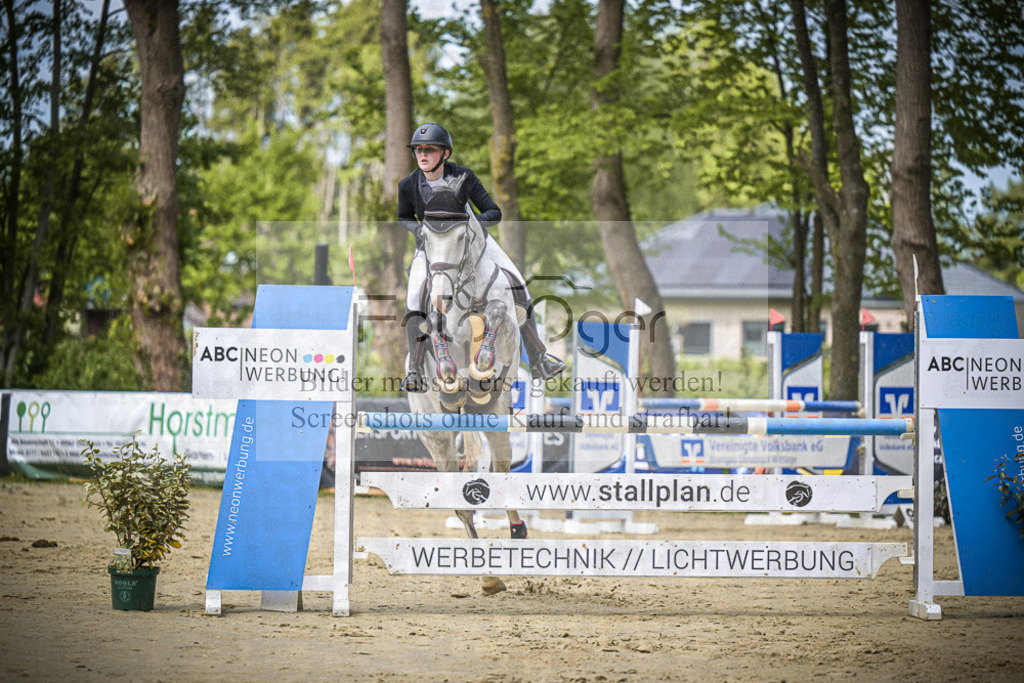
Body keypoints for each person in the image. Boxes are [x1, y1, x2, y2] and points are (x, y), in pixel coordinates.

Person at [397, 122, 566, 393]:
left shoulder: (464, 177)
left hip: (474, 244)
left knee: (518, 283)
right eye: (418, 149)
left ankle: (538, 358)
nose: (423, 154)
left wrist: (470, 226)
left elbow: (493, 211)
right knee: (414, 297)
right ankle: (415, 370)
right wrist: (419, 230)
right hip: (432, 248)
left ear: (446, 154)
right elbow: (403, 216)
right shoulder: (408, 185)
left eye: (430, 149)